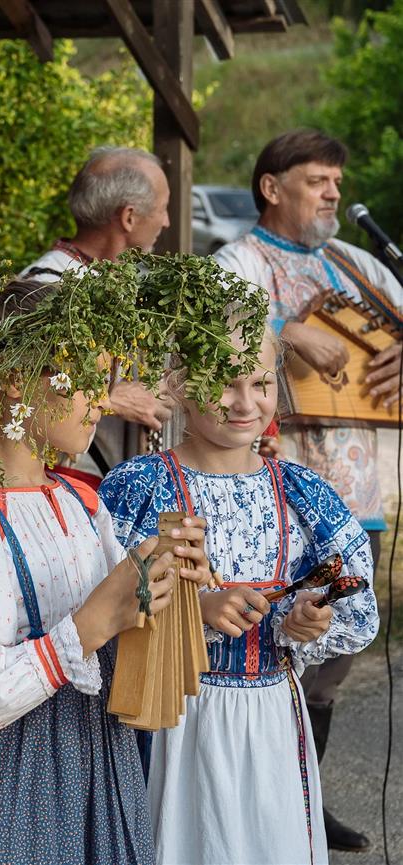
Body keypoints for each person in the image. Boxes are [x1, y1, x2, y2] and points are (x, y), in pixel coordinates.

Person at [0, 278, 211, 863]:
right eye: (88, 381)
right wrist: (89, 625)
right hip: (9, 784)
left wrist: (171, 586)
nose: (101, 400)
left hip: (97, 756)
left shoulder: (79, 500)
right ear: (19, 378)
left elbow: (124, 622)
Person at [100, 333, 379, 864]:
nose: (246, 403)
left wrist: (307, 619)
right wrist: (193, 608)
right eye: (225, 384)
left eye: (261, 383)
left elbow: (356, 597)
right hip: (173, 719)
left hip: (272, 715)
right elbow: (92, 602)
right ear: (180, 386)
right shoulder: (139, 486)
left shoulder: (302, 491)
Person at [214, 128, 401, 851]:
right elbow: (212, 335)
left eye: (336, 182)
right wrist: (286, 333)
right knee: (274, 634)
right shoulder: (238, 260)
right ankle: (263, 800)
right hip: (280, 494)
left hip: (361, 495)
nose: (334, 193)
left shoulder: (355, 264)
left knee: (334, 645)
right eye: (319, 179)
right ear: (272, 186)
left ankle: (306, 800)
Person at [21, 146, 175, 476]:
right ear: (129, 217)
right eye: (162, 209)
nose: (166, 221)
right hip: (61, 487)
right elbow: (21, 393)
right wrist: (110, 399)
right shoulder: (46, 289)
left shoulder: (131, 283)